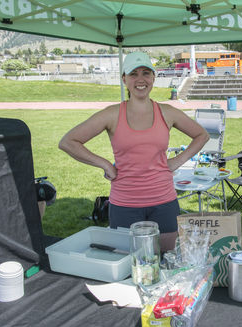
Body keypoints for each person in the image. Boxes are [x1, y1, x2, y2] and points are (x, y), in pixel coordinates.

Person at [59, 52, 209, 252]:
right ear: (124, 79)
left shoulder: (167, 112)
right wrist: (104, 163)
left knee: (167, 260)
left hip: (163, 202)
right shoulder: (112, 114)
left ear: (153, 78)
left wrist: (176, 161)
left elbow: (201, 135)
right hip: (125, 204)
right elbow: (68, 141)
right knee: (129, 266)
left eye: (146, 73)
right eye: (133, 74)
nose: (140, 79)